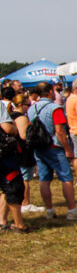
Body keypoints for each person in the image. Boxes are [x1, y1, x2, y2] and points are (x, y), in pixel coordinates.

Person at [26, 82, 77, 220]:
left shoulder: (31, 108)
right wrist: (67, 149)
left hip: (39, 147)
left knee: (44, 179)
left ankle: (49, 210)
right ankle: (71, 209)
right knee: (66, 178)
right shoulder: (55, 108)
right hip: (54, 147)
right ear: (50, 92)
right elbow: (60, 131)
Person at [8, 95, 43, 214]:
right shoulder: (21, 117)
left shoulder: (10, 115)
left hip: (14, 151)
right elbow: (23, 136)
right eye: (28, 105)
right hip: (23, 151)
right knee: (25, 178)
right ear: (21, 105)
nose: (29, 108)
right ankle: (26, 203)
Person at [0, 95, 30, 233]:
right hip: (4, 155)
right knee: (13, 185)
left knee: (5, 188)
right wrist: (14, 127)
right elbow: (6, 128)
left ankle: (2, 221)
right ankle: (20, 225)